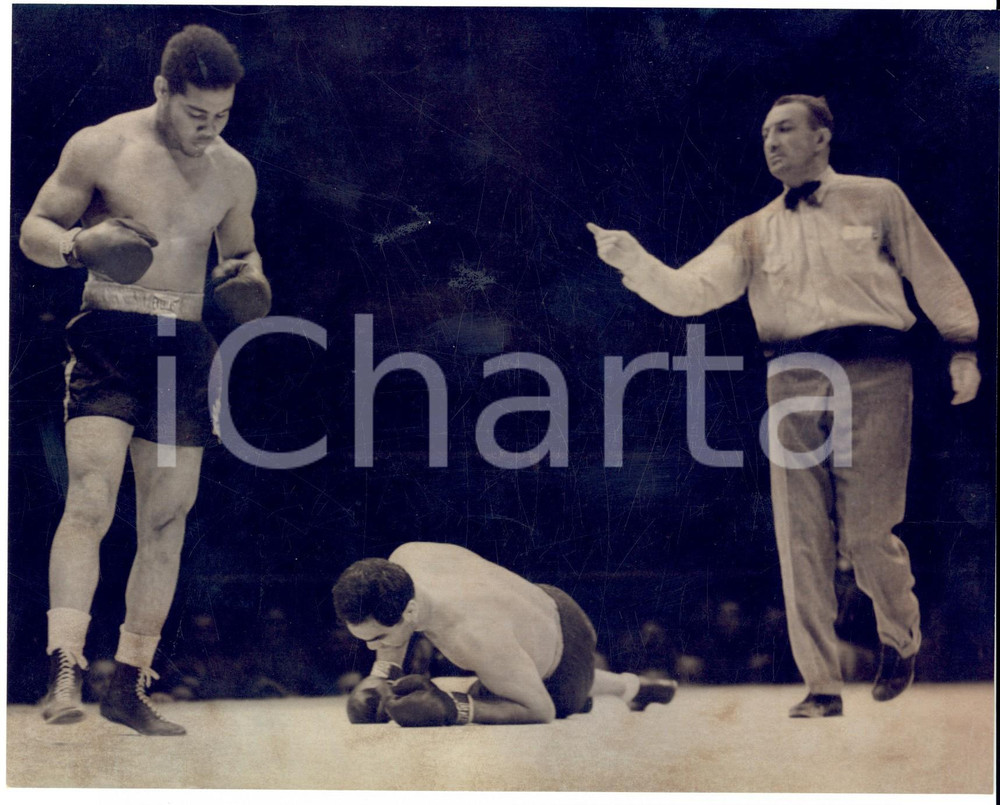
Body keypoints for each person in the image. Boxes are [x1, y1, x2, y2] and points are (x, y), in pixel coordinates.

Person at [587, 94, 980, 718]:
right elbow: (693, 291)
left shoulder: (877, 198)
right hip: (791, 376)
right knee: (798, 535)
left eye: (786, 128)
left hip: (876, 370)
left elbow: (932, 272)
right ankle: (822, 684)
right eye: (766, 132)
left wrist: (963, 345)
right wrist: (636, 262)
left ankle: (899, 633)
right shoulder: (752, 229)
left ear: (822, 136)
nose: (771, 141)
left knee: (868, 531)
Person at [19, 24, 270, 735]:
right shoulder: (102, 145)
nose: (208, 129)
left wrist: (249, 280)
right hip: (109, 333)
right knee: (91, 498)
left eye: (221, 116)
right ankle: (65, 666)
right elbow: (32, 228)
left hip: (183, 343)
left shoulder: (234, 170)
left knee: (165, 517)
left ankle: (129, 682)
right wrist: (75, 245)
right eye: (196, 114)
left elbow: (242, 255)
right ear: (162, 89)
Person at [332, 542, 678, 725]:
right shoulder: (405, 560)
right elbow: (395, 625)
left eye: (377, 639)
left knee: (482, 690)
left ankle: (598, 692)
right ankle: (635, 688)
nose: (373, 648)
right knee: (502, 677)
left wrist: (455, 709)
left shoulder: (474, 635)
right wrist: (382, 675)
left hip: (564, 667)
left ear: (409, 612)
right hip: (546, 599)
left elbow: (540, 710)